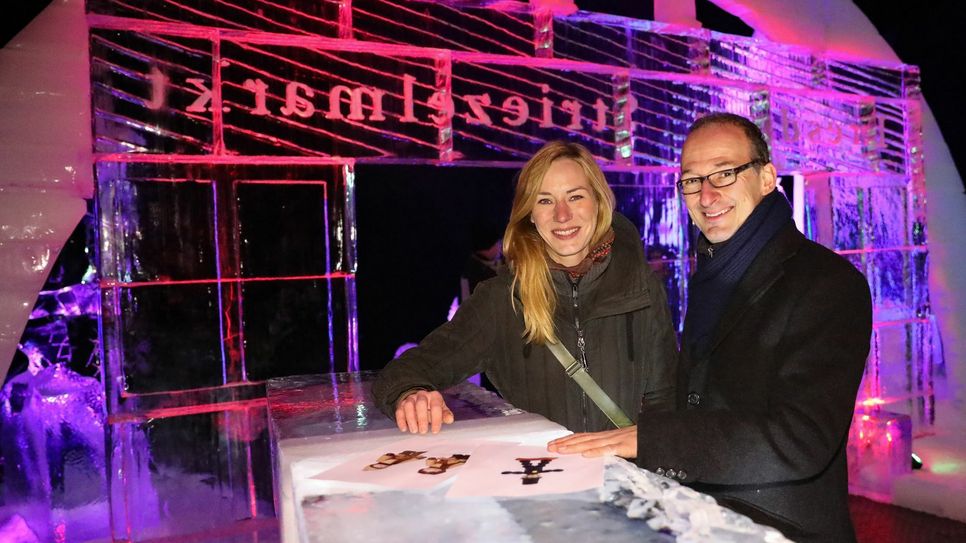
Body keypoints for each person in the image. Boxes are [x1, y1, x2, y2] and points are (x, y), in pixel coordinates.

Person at [548, 113, 873, 543]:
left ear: (766, 177)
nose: (707, 194)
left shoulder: (827, 282)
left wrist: (651, 440)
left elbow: (799, 440)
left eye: (724, 173)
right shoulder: (717, 272)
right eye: (692, 180)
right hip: (702, 519)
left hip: (778, 530)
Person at [371, 140, 678, 436]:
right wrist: (412, 393)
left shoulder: (642, 288)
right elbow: (406, 371)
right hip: (543, 482)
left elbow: (667, 402)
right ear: (530, 214)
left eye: (575, 196)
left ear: (598, 202)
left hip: (629, 482)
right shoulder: (502, 300)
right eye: (545, 200)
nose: (562, 215)